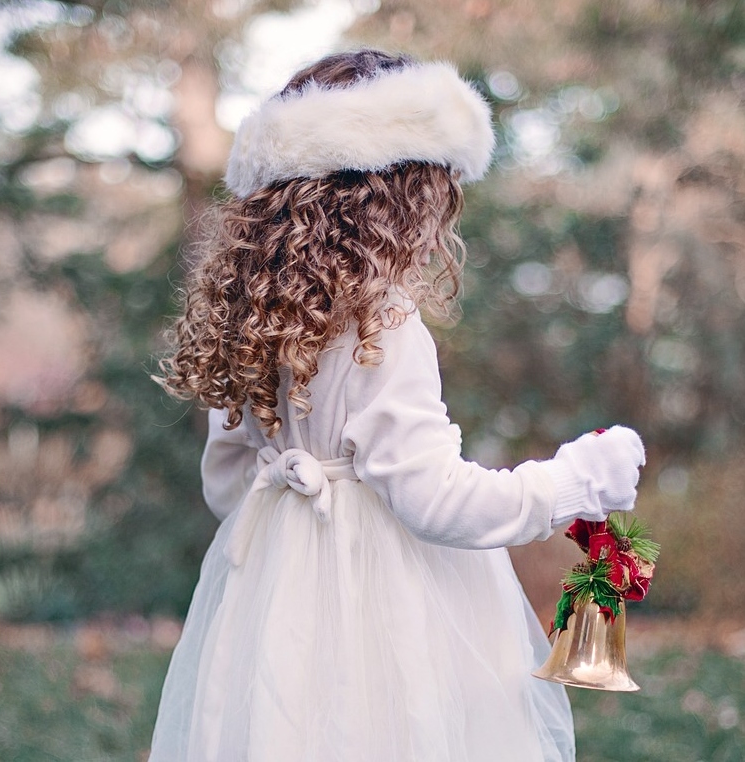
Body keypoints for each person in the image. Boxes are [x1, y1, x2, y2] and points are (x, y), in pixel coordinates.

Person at [150, 49, 645, 762]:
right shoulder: (381, 324)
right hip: (383, 604)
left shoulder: (252, 321)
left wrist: (292, 543)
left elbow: (226, 486)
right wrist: (574, 480)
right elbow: (434, 501)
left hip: (269, 597)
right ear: (400, 195)